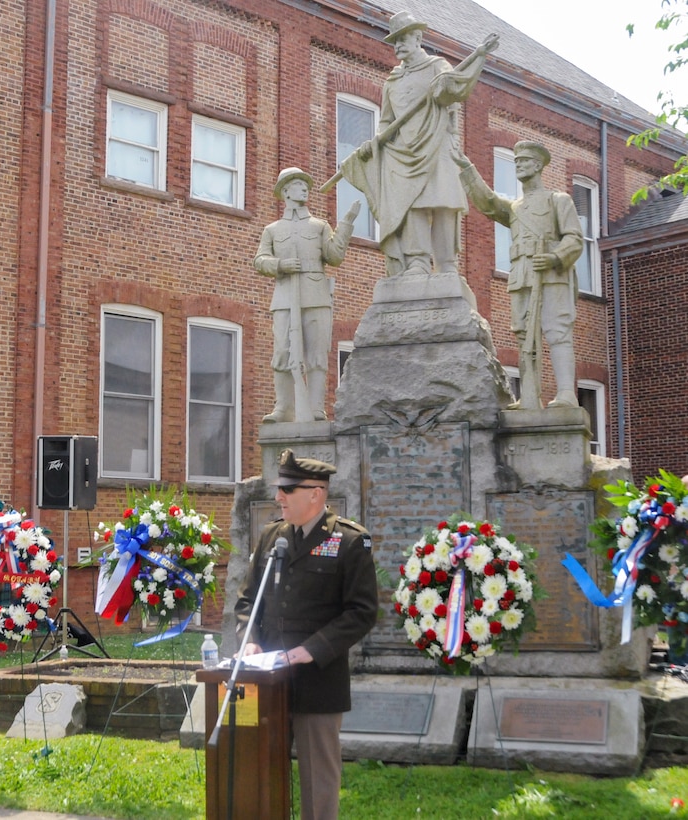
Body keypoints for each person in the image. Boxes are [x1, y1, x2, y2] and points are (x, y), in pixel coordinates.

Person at [235, 449, 378, 820]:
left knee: (318, 781)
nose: (279, 496)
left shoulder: (350, 542)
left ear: (315, 493)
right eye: (279, 488)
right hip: (268, 681)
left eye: (288, 489)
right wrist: (248, 638)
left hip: (317, 681)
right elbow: (247, 600)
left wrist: (310, 650)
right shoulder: (271, 538)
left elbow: (361, 612)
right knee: (262, 772)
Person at [337, 11, 498, 277]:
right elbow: (386, 122)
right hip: (404, 152)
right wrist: (375, 143)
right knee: (412, 205)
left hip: (438, 145)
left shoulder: (438, 66)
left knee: (443, 202)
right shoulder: (392, 81)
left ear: (418, 38)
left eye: (402, 39)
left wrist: (478, 56)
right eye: (394, 41)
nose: (397, 45)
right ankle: (418, 262)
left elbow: (456, 90)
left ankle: (447, 264)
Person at [452, 141, 583, 409]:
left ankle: (566, 394)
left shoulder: (558, 200)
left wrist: (555, 257)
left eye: (525, 161)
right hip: (522, 276)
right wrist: (466, 168)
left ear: (538, 165)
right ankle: (530, 397)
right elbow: (488, 202)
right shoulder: (515, 208)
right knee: (525, 335)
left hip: (552, 274)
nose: (519, 165)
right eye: (517, 161)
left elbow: (575, 238)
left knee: (557, 332)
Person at [254, 168, 360, 423]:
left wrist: (345, 223)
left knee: (316, 354)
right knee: (282, 353)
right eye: (298, 184)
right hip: (285, 297)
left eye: (306, 184)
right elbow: (259, 260)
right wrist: (280, 265)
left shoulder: (319, 226)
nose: (304, 188)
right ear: (286, 191)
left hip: (316, 296)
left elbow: (334, 257)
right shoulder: (272, 229)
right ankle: (284, 408)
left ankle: (315, 407)